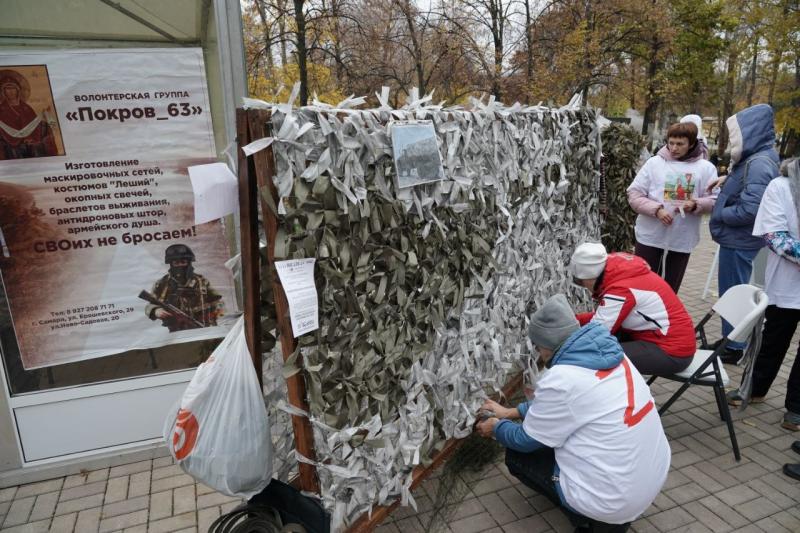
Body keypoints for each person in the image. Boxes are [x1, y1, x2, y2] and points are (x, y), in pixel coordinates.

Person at [476, 294, 670, 532]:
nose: (539, 353)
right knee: (555, 436)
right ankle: (607, 514)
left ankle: (590, 520)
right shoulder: (612, 356)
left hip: (611, 501)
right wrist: (511, 412)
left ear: (545, 344)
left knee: (517, 455)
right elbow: (562, 406)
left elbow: (526, 440)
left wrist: (496, 427)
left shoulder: (562, 378)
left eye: (538, 347)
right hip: (649, 477)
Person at [726, 158, 800, 431]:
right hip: (786, 285)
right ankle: (755, 387)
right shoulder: (780, 187)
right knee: (773, 340)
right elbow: (773, 235)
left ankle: (796, 408)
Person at [710, 103, 780, 363]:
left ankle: (734, 345)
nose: (732, 140)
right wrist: (727, 180)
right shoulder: (758, 158)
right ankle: (732, 338)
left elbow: (751, 209)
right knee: (733, 290)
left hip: (739, 239)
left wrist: (720, 214)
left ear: (751, 132)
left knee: (733, 290)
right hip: (739, 239)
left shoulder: (759, 163)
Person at [570, 242, 695, 375]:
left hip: (672, 352)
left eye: (580, 282)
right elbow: (604, 317)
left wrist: (562, 339)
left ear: (591, 277)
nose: (584, 287)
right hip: (664, 341)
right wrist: (574, 320)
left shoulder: (620, 289)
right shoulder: (622, 272)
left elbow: (597, 332)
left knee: (590, 356)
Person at [626, 122, 717, 293]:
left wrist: (696, 204)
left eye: (680, 144)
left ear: (691, 144)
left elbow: (715, 199)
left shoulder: (706, 168)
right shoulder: (654, 163)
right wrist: (656, 209)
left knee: (669, 289)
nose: (674, 148)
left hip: (681, 239)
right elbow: (634, 194)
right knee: (642, 286)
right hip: (650, 236)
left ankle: (665, 317)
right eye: (671, 143)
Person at [145, 244, 224, 332]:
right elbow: (150, 304)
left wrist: (215, 314)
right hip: (177, 331)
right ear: (171, 264)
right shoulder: (162, 284)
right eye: (176, 263)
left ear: (189, 263)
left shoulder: (202, 282)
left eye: (183, 262)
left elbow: (219, 302)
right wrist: (156, 311)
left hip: (205, 328)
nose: (180, 265)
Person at [0, 73, 58, 160]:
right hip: (10, 140)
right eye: (7, 89)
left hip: (29, 138)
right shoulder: (2, 108)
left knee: (45, 126)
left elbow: (34, 125)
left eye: (13, 88)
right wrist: (22, 138)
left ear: (18, 90)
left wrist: (31, 137)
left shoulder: (26, 108)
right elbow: (4, 127)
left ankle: (51, 160)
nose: (11, 91)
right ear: (3, 92)